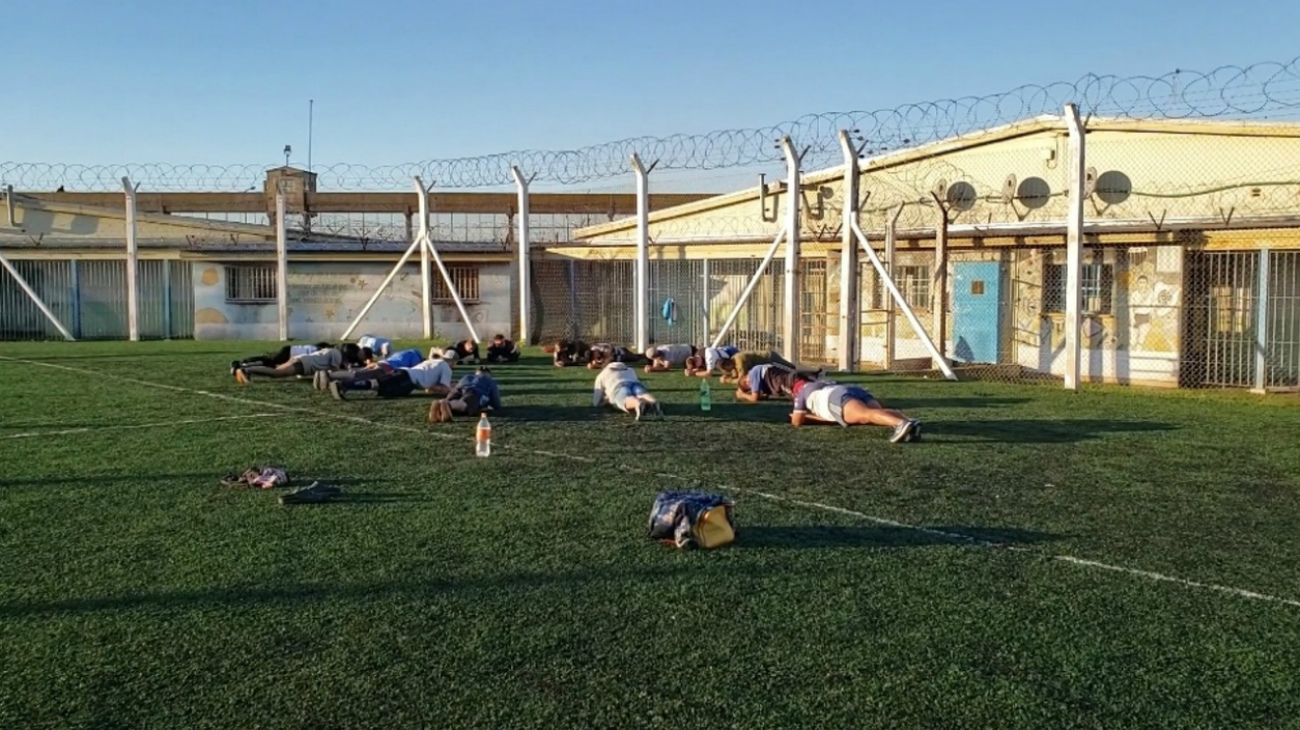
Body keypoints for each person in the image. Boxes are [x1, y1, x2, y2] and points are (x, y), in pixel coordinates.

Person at [790, 375, 921, 443]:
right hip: (853, 389)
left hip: (834, 398)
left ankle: (900, 423)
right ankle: (908, 421)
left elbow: (796, 421)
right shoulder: (822, 382)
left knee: (866, 415)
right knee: (875, 414)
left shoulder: (801, 392)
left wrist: (807, 417)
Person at [328, 348, 453, 400]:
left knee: (376, 385)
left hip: (403, 373)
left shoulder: (432, 361)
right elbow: (443, 389)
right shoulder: (446, 367)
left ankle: (344, 384)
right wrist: (452, 389)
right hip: (407, 380)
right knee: (376, 385)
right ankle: (343, 385)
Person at [234, 344, 366, 383]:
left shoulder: (332, 351)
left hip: (301, 359)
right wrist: (350, 374)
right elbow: (334, 372)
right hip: (304, 364)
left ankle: (246, 369)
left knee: (275, 369)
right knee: (276, 373)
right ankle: (246, 370)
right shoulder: (337, 355)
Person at [313, 347, 425, 390]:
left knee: (356, 373)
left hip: (382, 363)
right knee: (359, 376)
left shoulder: (404, 352)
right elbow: (413, 371)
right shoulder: (415, 355)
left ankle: (330, 376)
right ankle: (329, 376)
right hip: (386, 368)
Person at [592, 361, 662, 420]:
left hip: (618, 386)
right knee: (642, 394)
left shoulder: (602, 375)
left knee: (625, 398)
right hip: (635, 383)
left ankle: (638, 404)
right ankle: (653, 402)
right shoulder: (630, 370)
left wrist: (606, 400)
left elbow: (596, 401)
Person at [428, 368, 503, 423]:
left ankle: (443, 405)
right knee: (466, 407)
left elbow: (455, 390)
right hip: (474, 393)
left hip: (461, 390)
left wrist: (447, 399)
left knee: (455, 403)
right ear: (488, 375)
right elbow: (496, 402)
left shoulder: (467, 377)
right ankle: (447, 405)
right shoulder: (490, 381)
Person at [230, 342, 332, 373]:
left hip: (290, 350)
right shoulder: (322, 352)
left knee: (270, 362)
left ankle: (244, 365)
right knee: (271, 361)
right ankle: (241, 363)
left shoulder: (318, 348)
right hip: (289, 353)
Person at [734, 362, 798, 402]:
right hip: (785, 379)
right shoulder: (758, 371)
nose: (753, 388)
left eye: (750, 388)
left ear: (746, 382)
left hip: (783, 381)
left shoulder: (752, 374)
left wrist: (742, 395)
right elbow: (761, 396)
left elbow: (754, 398)